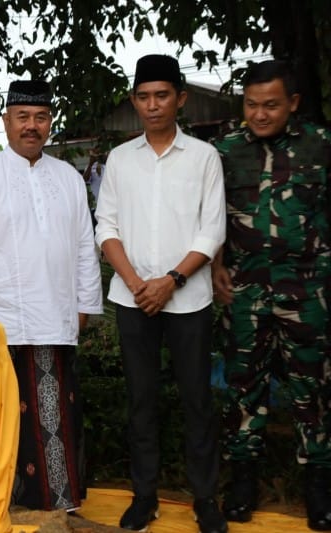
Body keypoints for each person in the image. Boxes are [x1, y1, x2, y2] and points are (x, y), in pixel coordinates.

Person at [0, 80, 103, 512]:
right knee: (0, 421)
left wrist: (85, 306)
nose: (32, 127)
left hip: (54, 318)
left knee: (55, 417)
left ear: (49, 122)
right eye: (23, 117)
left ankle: (60, 505)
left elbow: (83, 247)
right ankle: (1, 506)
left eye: (40, 117)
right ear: (6, 123)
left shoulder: (68, 178)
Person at [94, 55, 227, 533]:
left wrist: (170, 280)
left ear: (180, 99)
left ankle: (205, 499)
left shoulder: (203, 157)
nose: (152, 105)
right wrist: (136, 284)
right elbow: (105, 226)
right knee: (141, 401)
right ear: (134, 101)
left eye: (162, 95)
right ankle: (144, 496)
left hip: (188, 299)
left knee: (196, 401)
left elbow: (212, 230)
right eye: (144, 97)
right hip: (133, 301)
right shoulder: (120, 159)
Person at [211, 60, 331, 531]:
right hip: (244, 292)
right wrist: (217, 264)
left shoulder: (321, 147)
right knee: (243, 387)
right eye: (251, 105)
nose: (259, 115)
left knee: (313, 390)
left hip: (309, 293)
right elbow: (208, 217)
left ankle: (319, 487)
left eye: (271, 106)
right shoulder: (223, 151)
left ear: (294, 103)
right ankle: (244, 483)